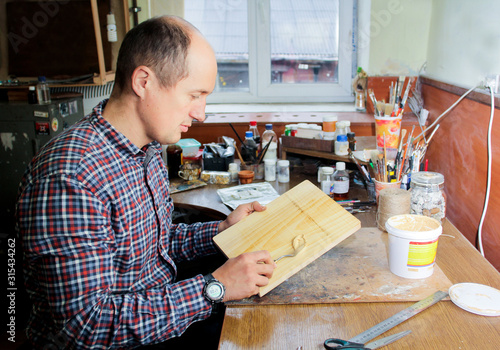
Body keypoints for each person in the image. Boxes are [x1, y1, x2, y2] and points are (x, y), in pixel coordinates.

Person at [16, 15, 276, 349]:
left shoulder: (148, 147)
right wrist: (215, 287)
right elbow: (85, 328)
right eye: (194, 95)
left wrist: (222, 230)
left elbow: (154, 244)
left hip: (158, 316)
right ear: (143, 82)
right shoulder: (71, 177)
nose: (201, 114)